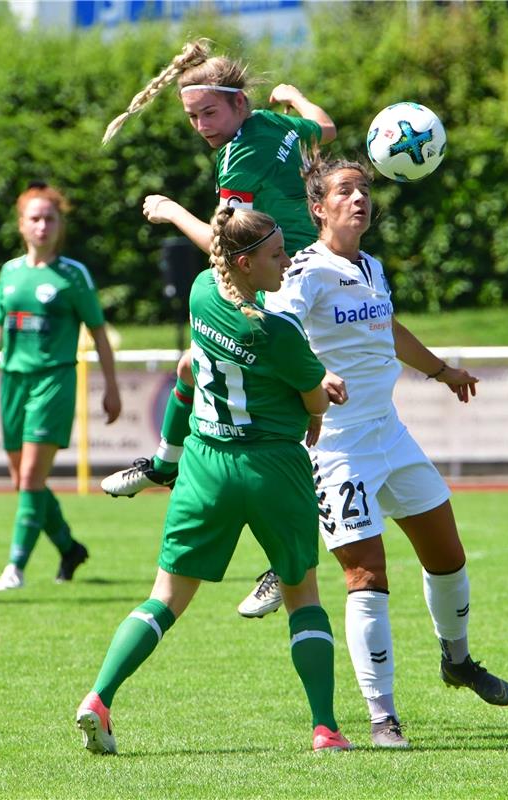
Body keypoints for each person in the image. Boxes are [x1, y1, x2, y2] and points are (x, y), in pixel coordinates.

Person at [251, 155, 508, 748]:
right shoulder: (304, 272)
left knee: (447, 553)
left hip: (390, 434)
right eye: (346, 191)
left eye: (365, 189)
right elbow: (275, 334)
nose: (360, 199)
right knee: (367, 575)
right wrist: (313, 381)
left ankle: (457, 660)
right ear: (318, 208)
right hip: (338, 448)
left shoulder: (369, 265)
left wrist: (443, 371)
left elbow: (389, 329)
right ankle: (383, 715)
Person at [75, 206, 352, 755]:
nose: (287, 259)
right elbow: (313, 396)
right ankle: (325, 728)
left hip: (206, 465)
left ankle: (100, 698)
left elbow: (208, 305)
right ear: (246, 263)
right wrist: (322, 390)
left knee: (165, 599)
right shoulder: (278, 331)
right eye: (276, 254)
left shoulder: (203, 291)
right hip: (273, 467)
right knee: (304, 597)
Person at [98, 39, 336, 617]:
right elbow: (323, 129)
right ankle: (165, 462)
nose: (202, 125)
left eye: (210, 113)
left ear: (237, 105)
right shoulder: (280, 126)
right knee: (192, 366)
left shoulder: (238, 159)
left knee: (291, 435)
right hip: (304, 277)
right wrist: (295, 96)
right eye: (192, 116)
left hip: (288, 287)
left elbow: (229, 250)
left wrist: (171, 212)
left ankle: (287, 568)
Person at [0, 182, 121, 590]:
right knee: (25, 481)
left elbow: (98, 332)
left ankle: (15, 567)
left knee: (29, 478)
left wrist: (110, 387)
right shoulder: (10, 273)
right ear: (21, 225)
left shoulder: (72, 275)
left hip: (54, 381)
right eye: (35, 218)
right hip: (13, 382)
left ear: (60, 225)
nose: (43, 226)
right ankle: (68, 548)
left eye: (50, 218)